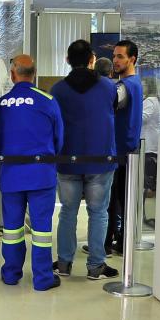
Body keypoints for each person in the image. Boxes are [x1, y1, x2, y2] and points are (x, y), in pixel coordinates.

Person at [0, 55, 62, 291]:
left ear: (12, 74)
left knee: (12, 229)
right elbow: (59, 138)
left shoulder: (2, 104)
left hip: (11, 174)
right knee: (42, 230)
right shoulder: (48, 100)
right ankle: (42, 279)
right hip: (41, 173)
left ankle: (11, 274)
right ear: (34, 74)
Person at [50, 40, 119, 280]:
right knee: (98, 212)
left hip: (68, 159)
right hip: (100, 159)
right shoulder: (109, 87)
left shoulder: (57, 90)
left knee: (67, 211)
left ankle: (65, 264)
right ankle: (95, 266)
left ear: (67, 60)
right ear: (92, 59)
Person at [105, 40, 143, 256]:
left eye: (120, 56)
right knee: (120, 199)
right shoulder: (135, 83)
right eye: (114, 56)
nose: (115, 60)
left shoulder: (124, 87)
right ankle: (119, 241)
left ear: (132, 59)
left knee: (113, 200)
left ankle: (108, 243)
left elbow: (108, 105)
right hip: (127, 150)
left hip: (120, 151)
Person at [142, 77, 160, 200]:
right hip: (152, 144)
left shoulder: (149, 101)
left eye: (143, 85)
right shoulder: (156, 100)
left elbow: (144, 117)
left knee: (146, 181)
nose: (142, 87)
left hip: (147, 145)